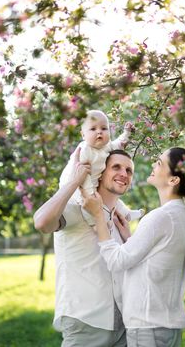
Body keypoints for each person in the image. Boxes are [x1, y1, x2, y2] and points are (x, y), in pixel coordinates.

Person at [81, 147, 185, 347]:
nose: (154, 165)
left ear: (174, 180)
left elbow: (116, 261)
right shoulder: (181, 214)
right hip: (165, 327)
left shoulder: (161, 217)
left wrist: (98, 216)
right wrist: (131, 238)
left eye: (160, 163)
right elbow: (158, 260)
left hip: (148, 329)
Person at [34, 148, 136, 347]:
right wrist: (74, 181)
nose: (124, 174)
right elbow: (42, 222)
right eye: (116, 167)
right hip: (86, 324)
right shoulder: (78, 208)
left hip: (122, 326)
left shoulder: (119, 218)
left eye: (129, 170)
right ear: (100, 172)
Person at [59, 109, 144, 223]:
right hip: (78, 187)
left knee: (112, 200)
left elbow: (118, 144)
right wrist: (90, 193)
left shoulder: (106, 146)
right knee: (90, 206)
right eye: (93, 129)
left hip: (94, 183)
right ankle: (94, 224)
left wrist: (126, 133)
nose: (99, 132)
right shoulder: (85, 150)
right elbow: (81, 173)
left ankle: (126, 214)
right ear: (83, 135)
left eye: (104, 128)